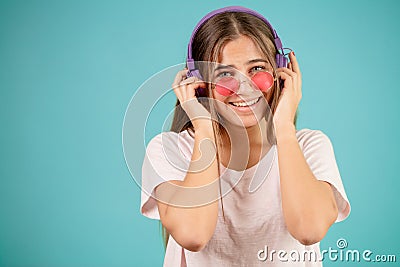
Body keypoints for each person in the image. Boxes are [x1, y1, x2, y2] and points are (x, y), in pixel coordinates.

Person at [140, 6, 350, 267]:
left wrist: (283, 126)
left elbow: (309, 230)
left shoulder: (310, 147)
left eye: (257, 68)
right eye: (225, 74)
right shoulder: (169, 149)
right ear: (199, 82)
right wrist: (205, 129)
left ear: (280, 72)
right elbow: (193, 235)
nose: (245, 86)